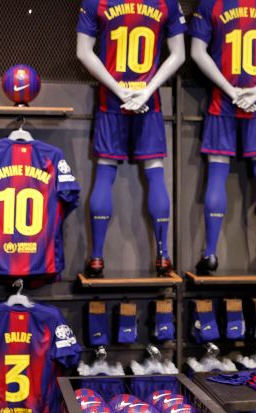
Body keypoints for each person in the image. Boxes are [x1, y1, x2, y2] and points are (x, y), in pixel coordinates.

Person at [76, 0, 187, 278]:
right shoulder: (165, 3)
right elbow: (179, 55)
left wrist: (118, 89)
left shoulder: (97, 2)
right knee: (155, 174)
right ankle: (163, 257)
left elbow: (83, 52)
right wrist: (147, 90)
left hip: (111, 100)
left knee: (104, 174)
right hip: (149, 101)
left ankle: (97, 258)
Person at [189, 0, 256, 275]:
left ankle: (210, 254)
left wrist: (230, 91)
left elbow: (198, 52)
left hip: (221, 102)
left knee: (216, 174)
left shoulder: (212, 5)